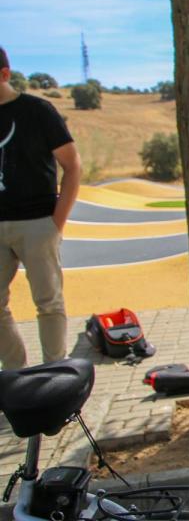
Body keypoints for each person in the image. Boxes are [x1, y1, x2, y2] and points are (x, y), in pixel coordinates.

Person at [0, 46, 80, 370]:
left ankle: (54, 374)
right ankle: (17, 375)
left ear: (4, 74)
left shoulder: (38, 111)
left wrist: (55, 223)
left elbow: (72, 166)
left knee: (48, 303)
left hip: (38, 222)